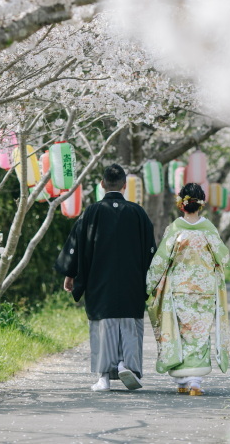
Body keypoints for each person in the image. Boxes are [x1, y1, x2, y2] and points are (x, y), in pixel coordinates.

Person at [54, 164, 156, 392]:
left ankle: (104, 378)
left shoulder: (92, 212)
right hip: (132, 283)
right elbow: (150, 250)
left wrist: (70, 274)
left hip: (100, 282)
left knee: (104, 325)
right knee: (129, 324)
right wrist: (152, 281)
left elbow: (76, 246)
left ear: (102, 184)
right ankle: (126, 365)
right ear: (125, 185)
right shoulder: (138, 213)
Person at [146, 182, 230, 396]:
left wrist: (149, 285)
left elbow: (161, 260)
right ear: (201, 204)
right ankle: (194, 382)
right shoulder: (208, 229)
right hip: (204, 290)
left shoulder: (175, 229)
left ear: (181, 204)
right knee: (199, 334)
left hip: (179, 289)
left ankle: (183, 380)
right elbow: (223, 257)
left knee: (180, 333)